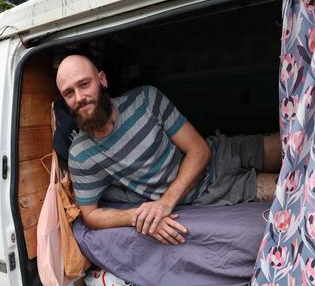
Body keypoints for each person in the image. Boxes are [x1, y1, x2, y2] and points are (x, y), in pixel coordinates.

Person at [55, 55, 281, 245]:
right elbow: (90, 215)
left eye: (85, 84)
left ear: (102, 80)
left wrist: (164, 204)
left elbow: (199, 150)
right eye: (69, 93)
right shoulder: (81, 154)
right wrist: (137, 217)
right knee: (295, 190)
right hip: (212, 193)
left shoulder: (145, 99)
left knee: (300, 147)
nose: (79, 98)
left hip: (223, 151)